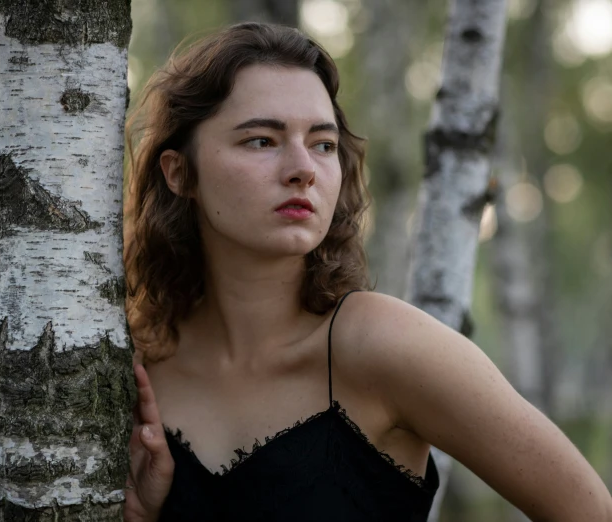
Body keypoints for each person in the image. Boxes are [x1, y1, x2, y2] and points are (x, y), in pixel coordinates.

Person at [121, 22, 612, 522]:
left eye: (323, 144)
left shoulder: (384, 346)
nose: (302, 168)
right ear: (179, 172)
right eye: (261, 141)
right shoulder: (135, 367)